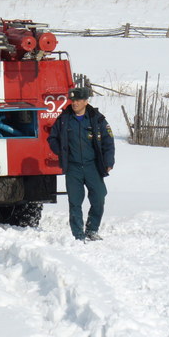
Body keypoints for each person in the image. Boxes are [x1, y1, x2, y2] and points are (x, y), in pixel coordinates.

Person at [47, 86, 115, 241]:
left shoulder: (97, 119)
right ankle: (78, 234)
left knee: (99, 197)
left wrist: (108, 161)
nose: (74, 103)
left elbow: (108, 142)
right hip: (73, 167)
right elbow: (52, 138)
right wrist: (62, 151)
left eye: (78, 100)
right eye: (72, 100)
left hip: (93, 166)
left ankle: (92, 229)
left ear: (85, 101)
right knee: (75, 202)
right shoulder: (64, 120)